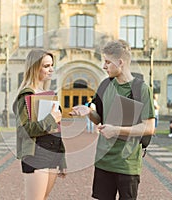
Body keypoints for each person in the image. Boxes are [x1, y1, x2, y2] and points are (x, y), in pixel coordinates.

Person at [69, 40, 155, 200]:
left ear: (120, 62)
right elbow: (99, 119)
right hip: (104, 161)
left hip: (127, 164)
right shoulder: (104, 86)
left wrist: (116, 130)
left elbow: (149, 127)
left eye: (107, 62)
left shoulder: (141, 89)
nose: (104, 66)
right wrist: (88, 112)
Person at [12, 49, 66, 200]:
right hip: (36, 155)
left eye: (51, 65)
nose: (51, 69)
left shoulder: (47, 93)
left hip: (52, 153)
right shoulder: (26, 95)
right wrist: (50, 118)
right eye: (46, 66)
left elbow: (56, 131)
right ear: (35, 68)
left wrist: (62, 158)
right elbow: (23, 130)